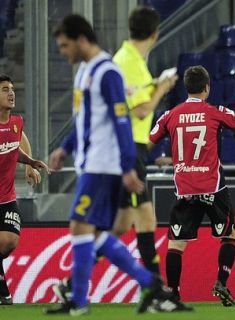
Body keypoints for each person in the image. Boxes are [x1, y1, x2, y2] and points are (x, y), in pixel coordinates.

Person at [45, 14, 182, 315]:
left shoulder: (108, 72)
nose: (63, 52)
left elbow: (122, 121)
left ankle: (80, 299)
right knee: (96, 231)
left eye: (65, 46)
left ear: (82, 40)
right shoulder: (86, 72)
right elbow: (85, 120)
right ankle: (147, 283)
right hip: (90, 162)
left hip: (104, 164)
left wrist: (125, 166)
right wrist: (65, 148)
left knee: (83, 225)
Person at [149, 65, 235, 307]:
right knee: (230, 234)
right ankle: (221, 281)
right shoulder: (215, 112)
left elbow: (149, 140)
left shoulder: (170, 115)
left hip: (185, 189)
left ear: (186, 88)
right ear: (207, 88)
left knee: (177, 243)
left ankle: (174, 294)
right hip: (212, 188)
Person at [112, 5, 177, 275]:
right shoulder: (131, 64)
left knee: (122, 224)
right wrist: (162, 88)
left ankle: (70, 285)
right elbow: (140, 110)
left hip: (128, 146)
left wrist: (152, 85)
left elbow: (131, 101)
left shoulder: (128, 60)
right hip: (129, 147)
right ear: (155, 33)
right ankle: (155, 289)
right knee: (146, 217)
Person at [0, 74, 50, 305]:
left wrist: (30, 164)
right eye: (4, 89)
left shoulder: (16, 122)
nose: (11, 93)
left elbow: (17, 139)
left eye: (11, 89)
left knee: (10, 241)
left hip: (6, 196)